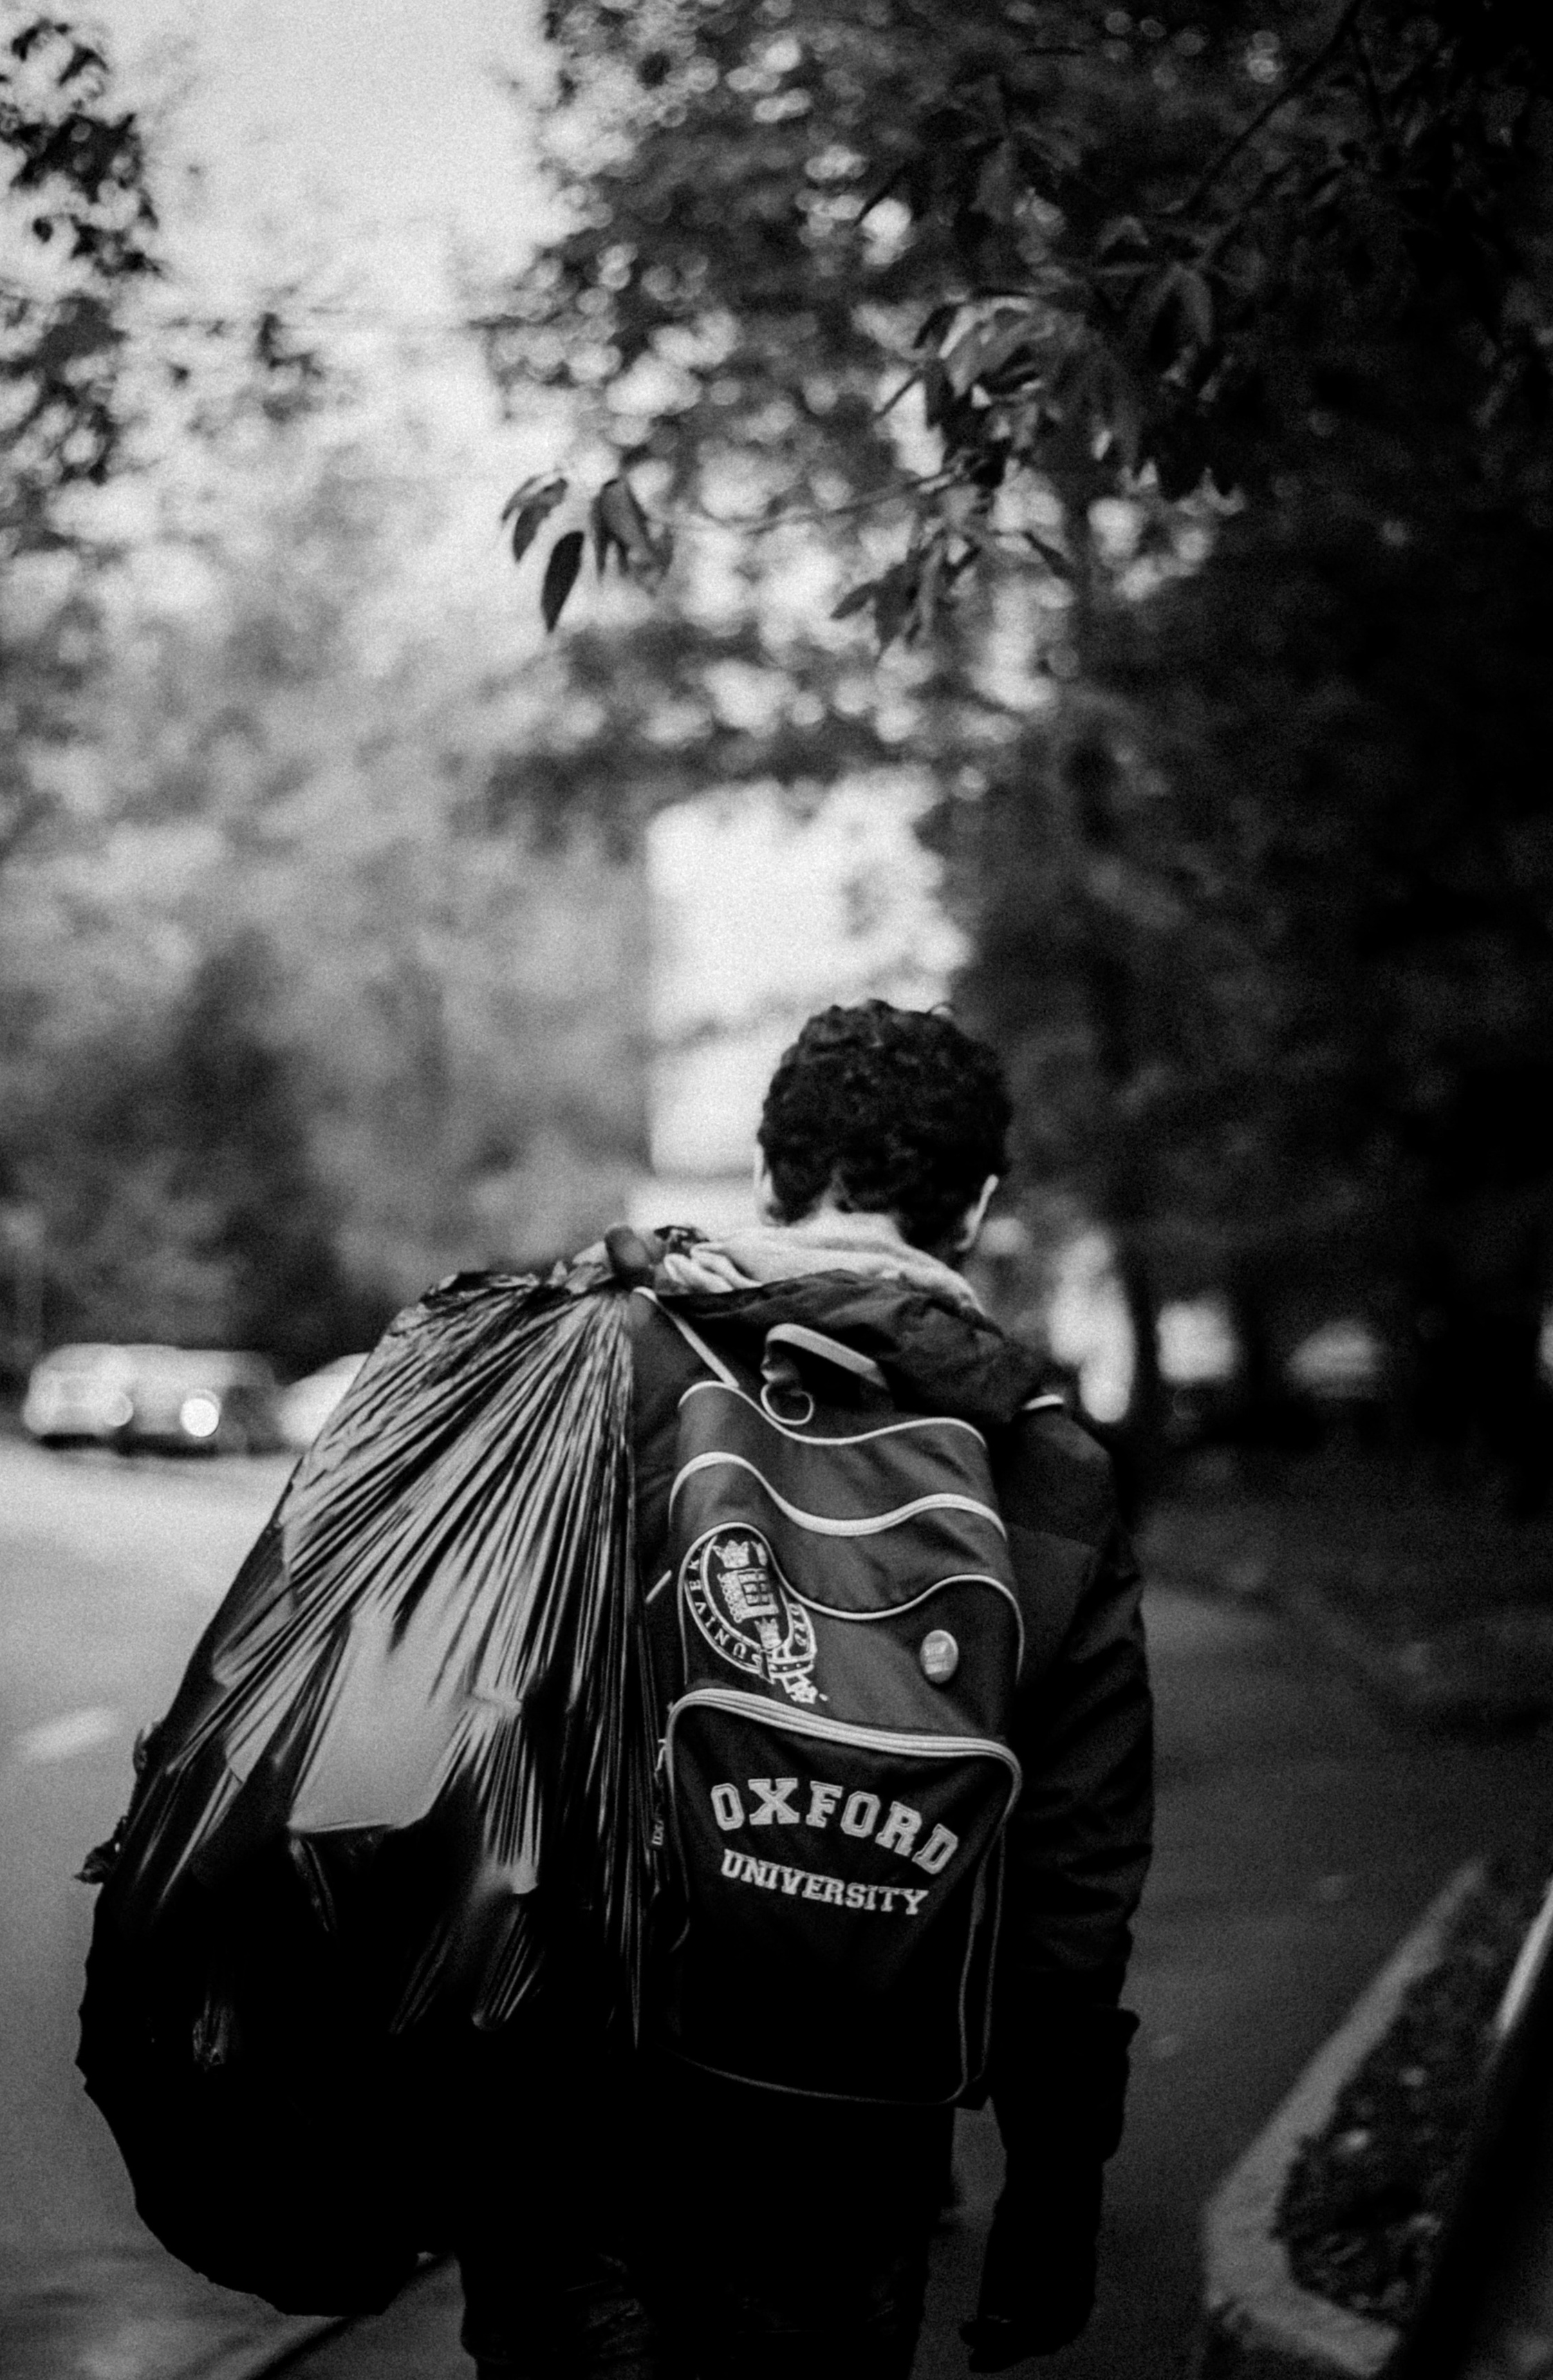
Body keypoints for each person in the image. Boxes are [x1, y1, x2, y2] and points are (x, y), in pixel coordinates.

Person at [451, 1000, 1154, 2380]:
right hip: (849, 2128)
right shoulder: (1045, 1464)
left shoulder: (601, 1363)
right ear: (972, 1210)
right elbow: (1074, 1876)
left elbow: (460, 1706)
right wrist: (1051, 2189)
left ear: (771, 1177)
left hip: (577, 2106)